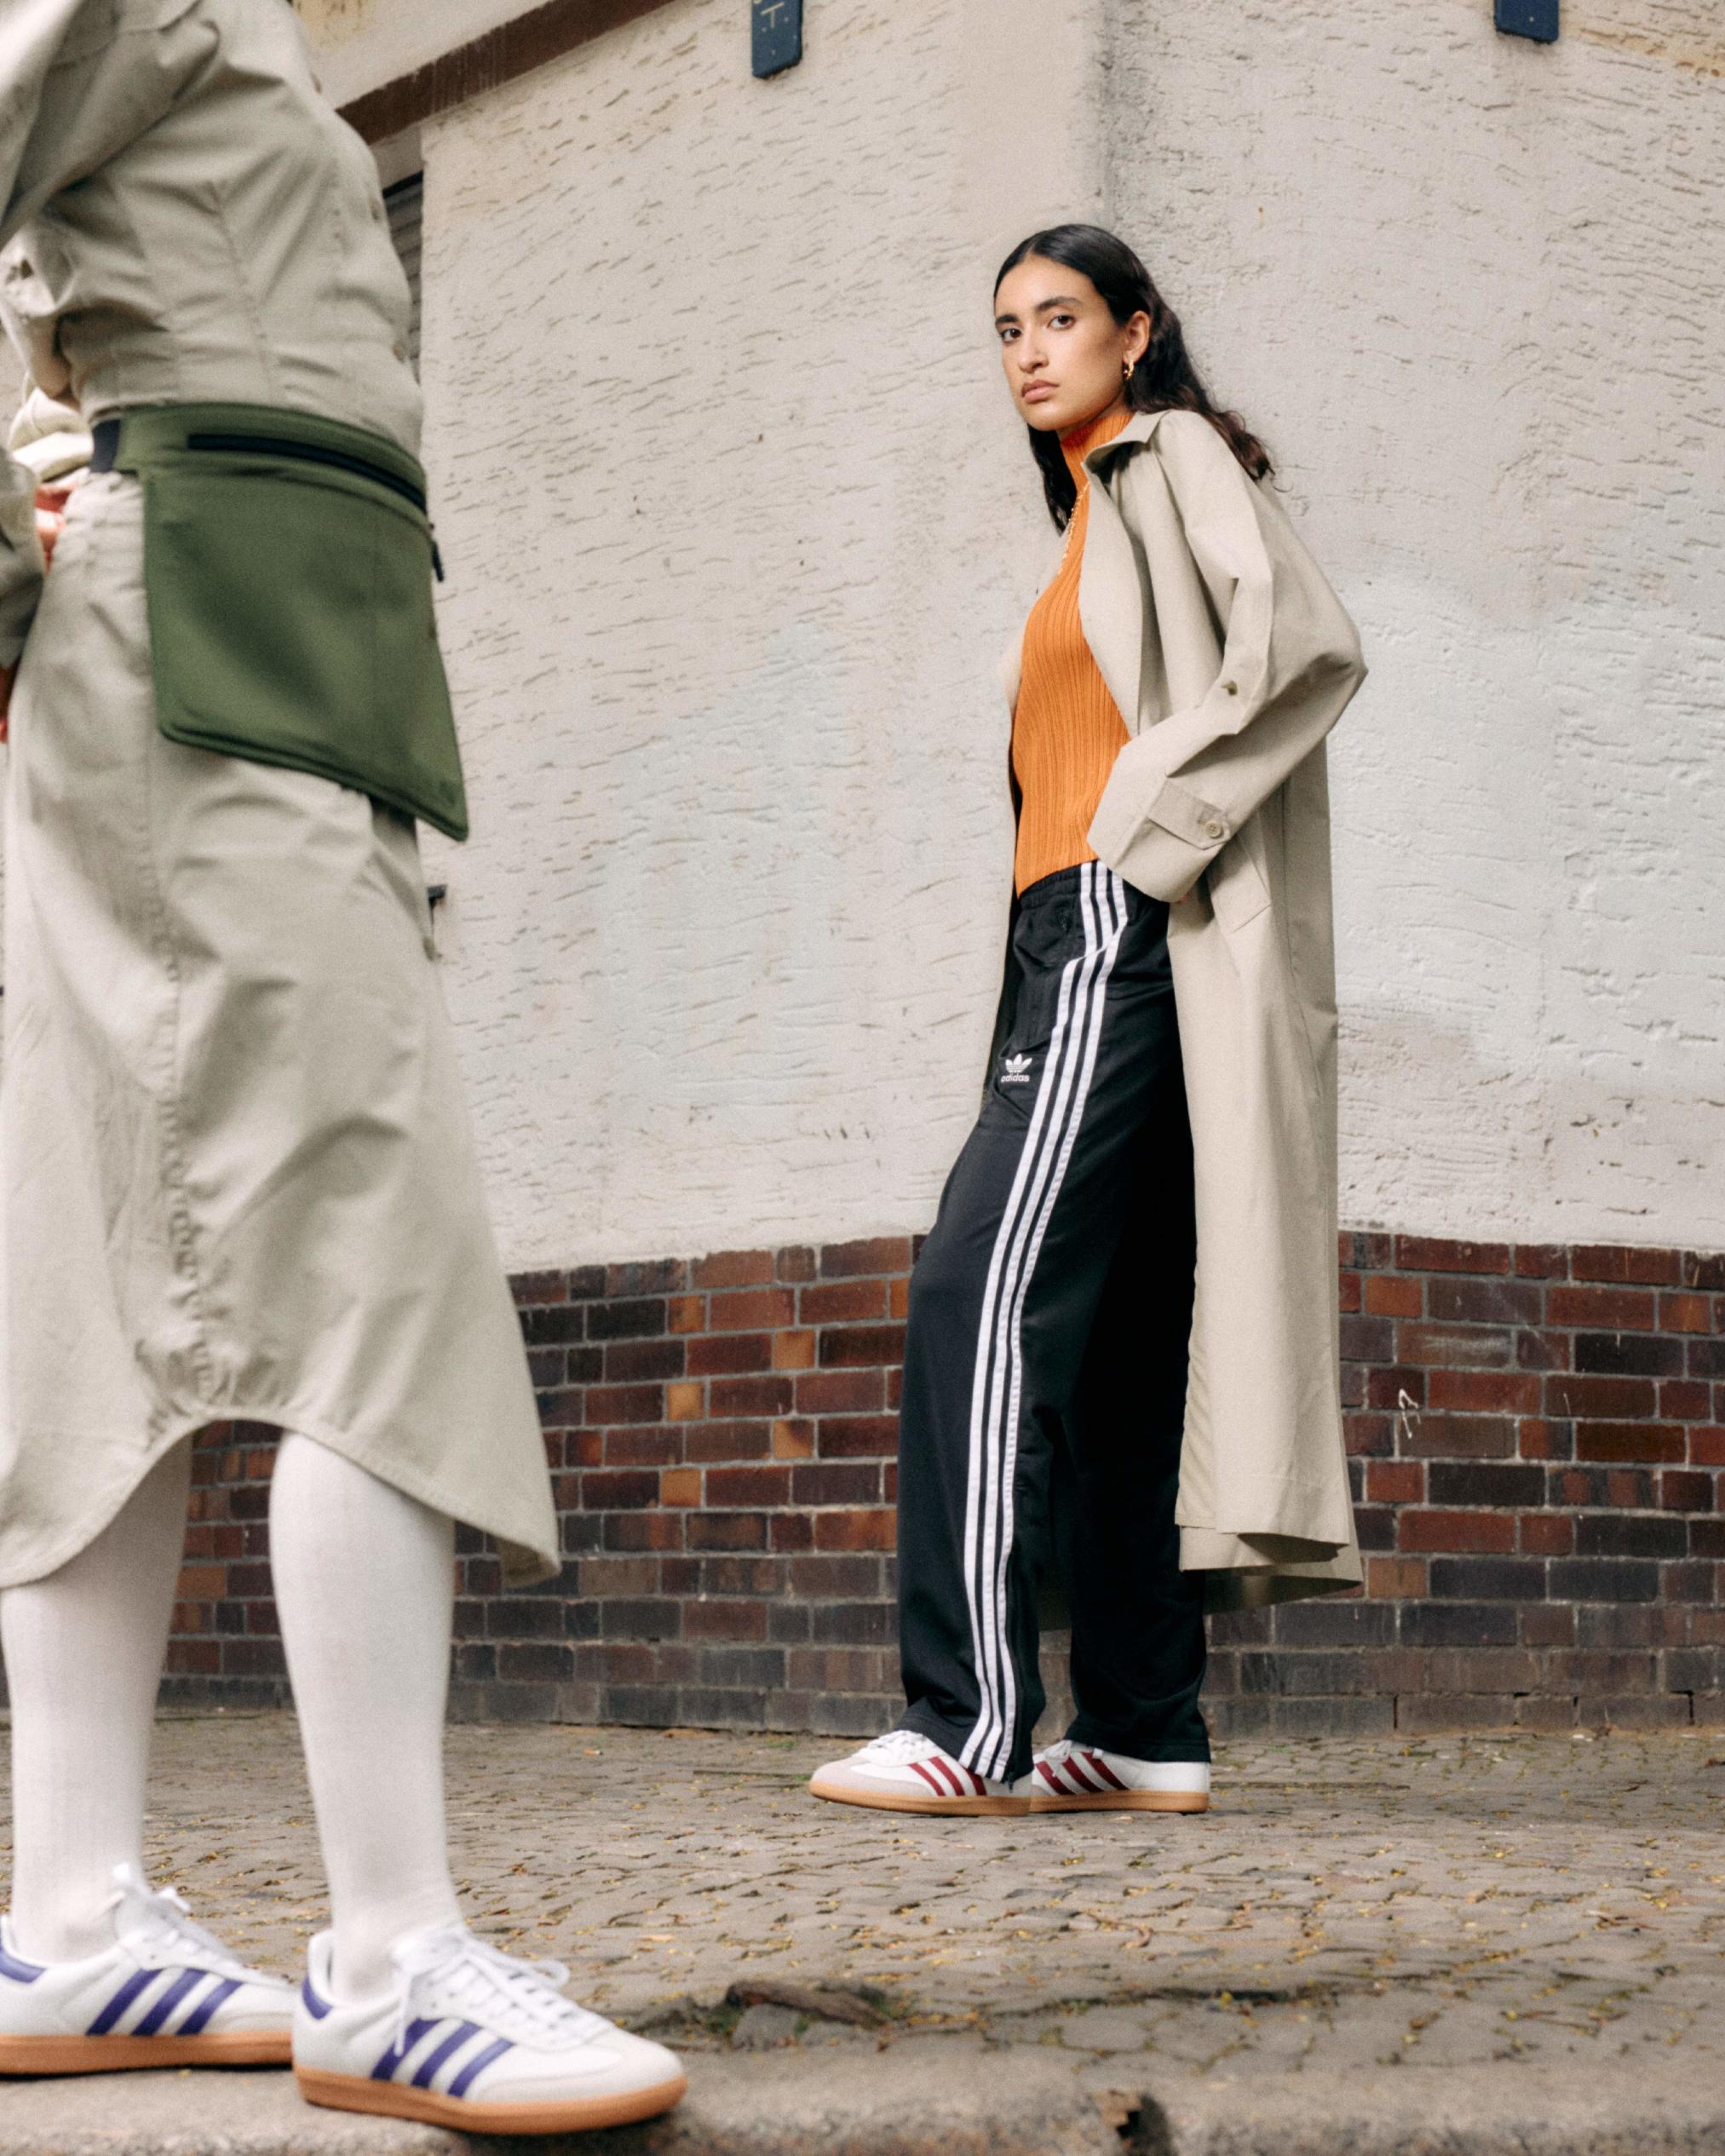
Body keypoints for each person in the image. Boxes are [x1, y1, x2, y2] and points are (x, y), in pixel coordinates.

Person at [0, 0, 683, 2132]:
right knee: (374, 1258)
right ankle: (389, 1958)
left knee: (116, 1284)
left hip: (250, 638)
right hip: (216, 646)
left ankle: (74, 1915)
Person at [811, 225, 1367, 1820]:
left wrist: (1140, 839)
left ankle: (966, 1717)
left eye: (1059, 318)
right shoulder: (1089, 521)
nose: (1028, 352)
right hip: (1094, 933)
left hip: (1116, 921)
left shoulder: (1165, 454)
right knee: (1119, 1343)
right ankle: (1141, 1725)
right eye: (1006, 330)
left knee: (973, 1290)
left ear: (1135, 331)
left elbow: (1307, 644)